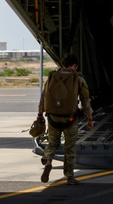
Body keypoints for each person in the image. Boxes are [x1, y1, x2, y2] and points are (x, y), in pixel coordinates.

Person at [37, 53, 93, 185]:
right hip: (70, 119)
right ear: (75, 65)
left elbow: (44, 96)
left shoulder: (52, 77)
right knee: (70, 147)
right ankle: (70, 176)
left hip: (52, 118)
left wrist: (40, 114)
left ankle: (48, 160)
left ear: (63, 64)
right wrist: (90, 118)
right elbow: (85, 101)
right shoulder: (78, 79)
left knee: (52, 143)